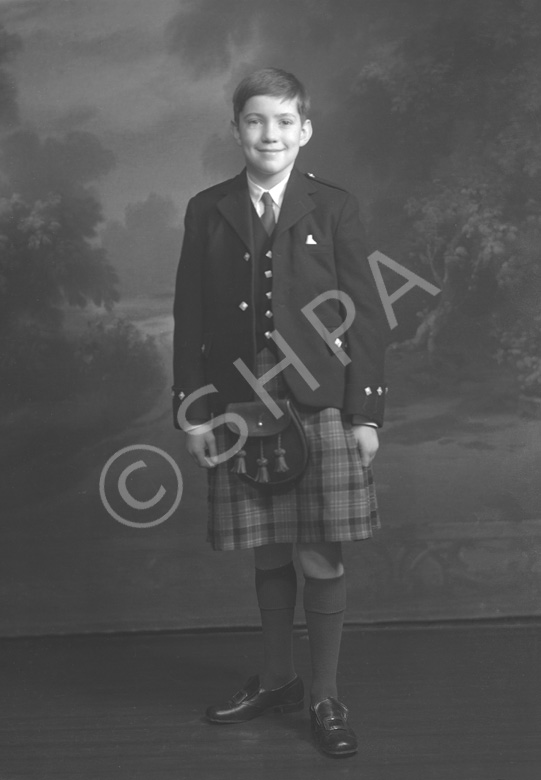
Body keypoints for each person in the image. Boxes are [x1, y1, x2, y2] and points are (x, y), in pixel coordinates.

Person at [172, 68, 387, 758]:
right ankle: (275, 678)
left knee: (320, 556)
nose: (270, 134)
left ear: (305, 131)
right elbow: (188, 319)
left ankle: (323, 694)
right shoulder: (206, 209)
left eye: (284, 122)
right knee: (267, 552)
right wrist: (195, 413)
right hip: (239, 407)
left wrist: (366, 415)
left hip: (320, 405)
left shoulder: (334, 208)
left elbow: (367, 323)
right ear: (236, 129)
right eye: (256, 121)